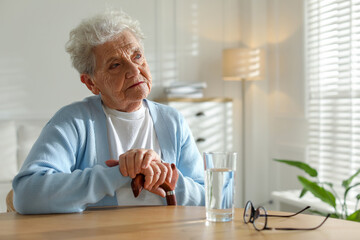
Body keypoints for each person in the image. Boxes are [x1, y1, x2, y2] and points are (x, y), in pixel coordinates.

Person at [12, 10, 205, 214]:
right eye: (115, 65)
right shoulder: (73, 121)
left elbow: (209, 197)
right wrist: (120, 172)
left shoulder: (171, 120)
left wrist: (165, 176)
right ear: (91, 83)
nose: (134, 70)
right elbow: (27, 195)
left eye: (137, 56)